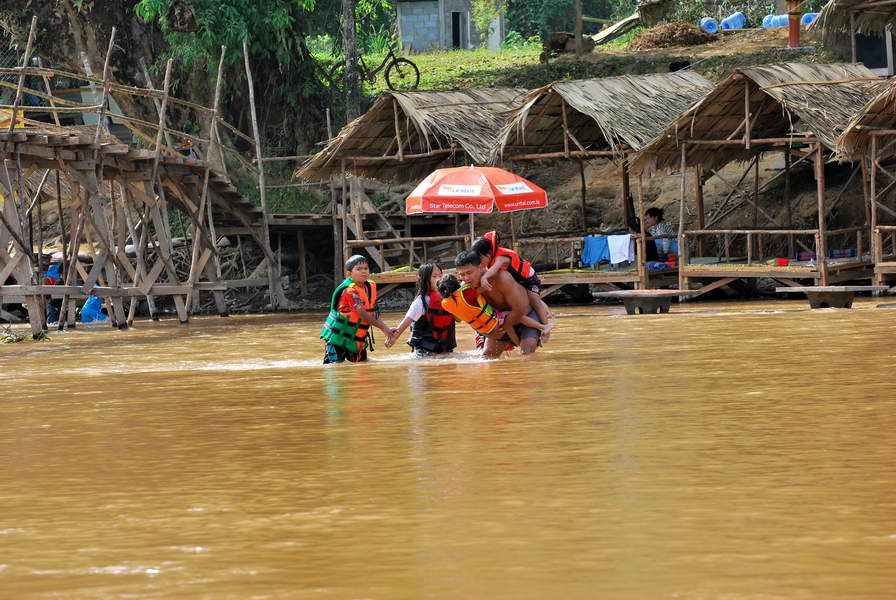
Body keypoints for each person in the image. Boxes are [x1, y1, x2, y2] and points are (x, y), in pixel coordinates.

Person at [455, 250, 547, 357]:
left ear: (481, 267)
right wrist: (488, 333)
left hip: (526, 316)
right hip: (500, 323)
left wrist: (500, 329)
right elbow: (471, 318)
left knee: (527, 353)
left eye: (469, 273)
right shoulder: (464, 290)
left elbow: (519, 311)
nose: (466, 278)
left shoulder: (501, 277)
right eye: (462, 274)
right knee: (487, 356)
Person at [436, 273, 551, 351]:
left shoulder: (446, 304)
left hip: (485, 329)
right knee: (514, 315)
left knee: (507, 326)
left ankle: (517, 342)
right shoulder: (466, 293)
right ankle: (541, 327)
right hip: (495, 320)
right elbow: (481, 289)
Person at [470, 230, 554, 334]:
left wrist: (484, 278)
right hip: (518, 280)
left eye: (480, 258)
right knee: (532, 298)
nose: (480, 262)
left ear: (489, 253)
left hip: (529, 279)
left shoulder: (501, 257)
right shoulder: (489, 260)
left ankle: (546, 328)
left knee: (535, 302)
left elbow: (494, 269)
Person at [321, 255, 393, 364]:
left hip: (356, 338)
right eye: (358, 269)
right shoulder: (350, 292)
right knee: (336, 368)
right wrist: (384, 329)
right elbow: (363, 315)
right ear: (349, 274)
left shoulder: (369, 287)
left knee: (361, 367)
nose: (363, 271)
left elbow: (372, 314)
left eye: (366, 268)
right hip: (338, 338)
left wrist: (387, 329)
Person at [385, 263, 456, 356]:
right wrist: (393, 338)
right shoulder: (421, 302)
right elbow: (406, 321)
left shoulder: (448, 300)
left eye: (440, 276)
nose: (439, 279)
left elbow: (459, 319)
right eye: (434, 276)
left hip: (444, 349)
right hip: (424, 351)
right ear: (425, 280)